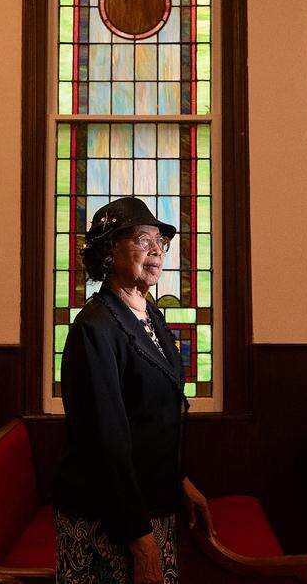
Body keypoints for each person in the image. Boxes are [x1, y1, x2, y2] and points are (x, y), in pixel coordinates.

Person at [53, 196, 214, 584]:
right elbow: (105, 443)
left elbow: (151, 419)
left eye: (161, 241)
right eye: (143, 240)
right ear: (109, 251)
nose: (157, 250)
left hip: (150, 503)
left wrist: (179, 480)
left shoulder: (149, 313)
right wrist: (141, 541)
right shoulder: (94, 328)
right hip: (110, 519)